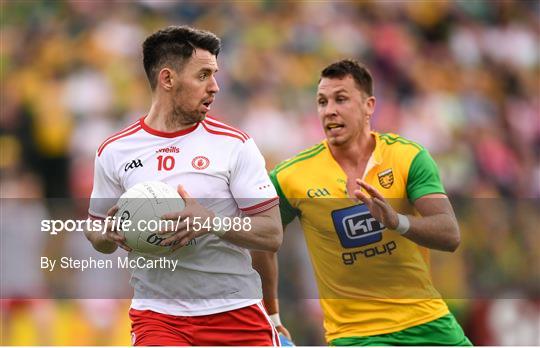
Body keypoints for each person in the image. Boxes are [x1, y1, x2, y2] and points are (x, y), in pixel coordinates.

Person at [85, 25, 287, 346]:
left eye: (215, 74)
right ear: (167, 79)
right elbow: (94, 229)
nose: (215, 87)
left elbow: (272, 234)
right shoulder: (114, 150)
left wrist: (212, 222)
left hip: (234, 311)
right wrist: (107, 235)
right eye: (204, 75)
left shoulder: (235, 145)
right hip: (158, 316)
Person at [268, 59, 472, 346]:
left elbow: (449, 234)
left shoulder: (407, 157)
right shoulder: (292, 176)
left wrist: (396, 222)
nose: (329, 111)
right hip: (355, 335)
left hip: (427, 321)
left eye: (341, 99)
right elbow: (259, 238)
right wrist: (272, 316)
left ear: (369, 106)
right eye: (322, 102)